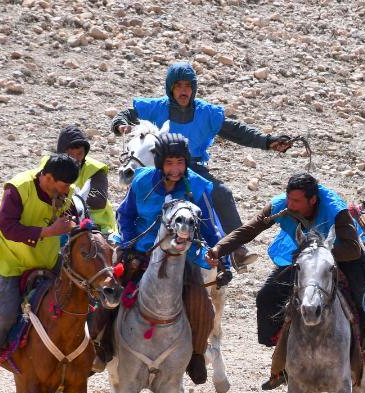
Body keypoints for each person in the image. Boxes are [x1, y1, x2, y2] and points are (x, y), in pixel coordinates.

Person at [206, 173, 365, 390]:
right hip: (306, 258)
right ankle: (285, 360)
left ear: (313, 200)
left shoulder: (335, 209)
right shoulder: (279, 206)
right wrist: (220, 249)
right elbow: (249, 230)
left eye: (296, 202)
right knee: (267, 298)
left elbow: (351, 248)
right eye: (288, 199)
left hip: (344, 257)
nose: (290, 205)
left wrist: (318, 251)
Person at [111, 61, 295, 269]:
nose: (183, 90)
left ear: (194, 88)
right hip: (158, 167)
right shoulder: (156, 107)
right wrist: (120, 125)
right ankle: (127, 244)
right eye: (178, 85)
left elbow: (236, 131)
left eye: (188, 86)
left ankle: (235, 250)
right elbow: (127, 114)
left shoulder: (206, 112)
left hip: (193, 167)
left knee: (222, 193)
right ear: (170, 88)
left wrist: (267, 141)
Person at [117, 132, 231, 384]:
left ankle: (198, 354)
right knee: (112, 292)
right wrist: (129, 244)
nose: (176, 169)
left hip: (184, 254)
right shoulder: (142, 181)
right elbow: (125, 215)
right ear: (160, 163)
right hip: (143, 250)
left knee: (201, 305)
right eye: (170, 163)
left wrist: (222, 258)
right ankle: (103, 346)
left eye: (180, 162)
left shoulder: (198, 185)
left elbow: (211, 227)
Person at [0, 154, 80, 393]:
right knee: (5, 313)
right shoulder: (18, 189)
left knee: (83, 293)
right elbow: (8, 227)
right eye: (64, 185)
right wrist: (50, 231)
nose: (68, 190)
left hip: (48, 259)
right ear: (49, 178)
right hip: (12, 263)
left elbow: (74, 218)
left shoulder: (66, 193)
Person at [52, 125, 118, 241]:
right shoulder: (52, 168)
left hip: (98, 227)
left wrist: (67, 203)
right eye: (70, 155)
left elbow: (98, 200)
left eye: (79, 154)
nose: (75, 159)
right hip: (62, 225)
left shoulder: (95, 170)